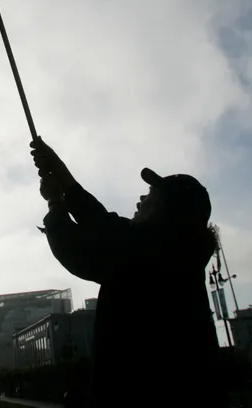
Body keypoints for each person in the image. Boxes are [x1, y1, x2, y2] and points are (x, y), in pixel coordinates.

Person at [31, 136, 222, 408]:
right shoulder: (175, 258)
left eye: (152, 195)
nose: (142, 198)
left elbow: (80, 248)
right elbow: (104, 225)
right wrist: (60, 173)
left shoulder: (152, 254)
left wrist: (55, 202)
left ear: (167, 211)